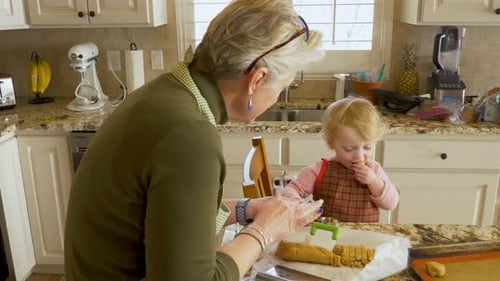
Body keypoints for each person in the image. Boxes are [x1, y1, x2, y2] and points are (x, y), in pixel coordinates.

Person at [64, 0, 325, 280]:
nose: (276, 99)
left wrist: (246, 209)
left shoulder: (160, 95)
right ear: (257, 80)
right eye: (282, 87)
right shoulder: (189, 134)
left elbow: (167, 221)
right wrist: (263, 231)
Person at [283, 97, 399, 222]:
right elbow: (291, 189)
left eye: (367, 147)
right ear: (331, 143)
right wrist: (298, 205)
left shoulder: (374, 170)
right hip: (327, 235)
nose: (359, 156)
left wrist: (374, 181)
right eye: (349, 149)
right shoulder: (319, 170)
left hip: (365, 236)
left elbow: (391, 204)